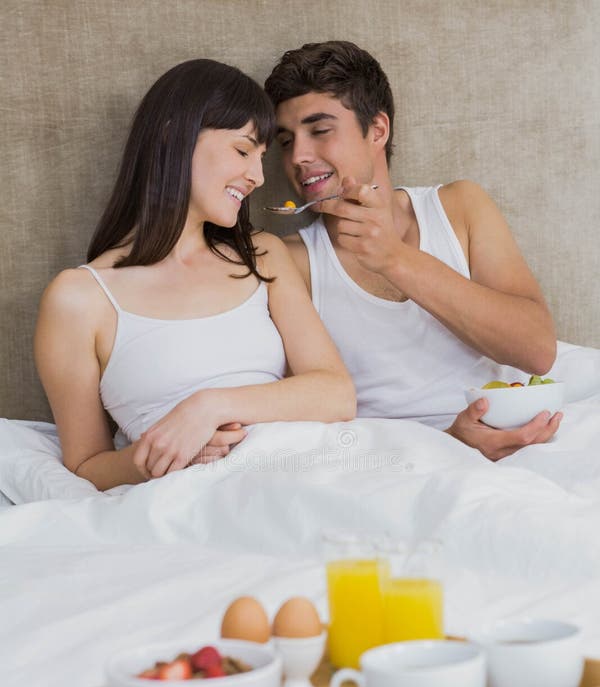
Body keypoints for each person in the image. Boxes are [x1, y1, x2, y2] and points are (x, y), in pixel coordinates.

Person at [35, 59, 355, 491]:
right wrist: (162, 458)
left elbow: (336, 393)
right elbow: (86, 465)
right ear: (173, 137)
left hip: (311, 471)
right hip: (193, 501)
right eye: (243, 151)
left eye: (261, 158)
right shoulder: (79, 299)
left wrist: (207, 407)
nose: (257, 177)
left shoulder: (262, 257)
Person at [264, 41, 562, 461]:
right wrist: (447, 442)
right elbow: (310, 421)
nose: (299, 156)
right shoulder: (292, 261)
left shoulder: (459, 207)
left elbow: (537, 350)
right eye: (285, 140)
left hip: (510, 446)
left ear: (378, 130)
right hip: (391, 468)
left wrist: (394, 258)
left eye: (320, 129)